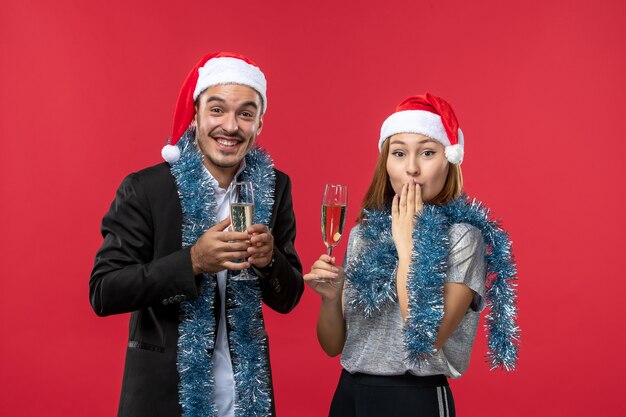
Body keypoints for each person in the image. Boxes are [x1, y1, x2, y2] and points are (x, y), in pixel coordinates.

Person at [90, 52, 304, 417]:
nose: (231, 126)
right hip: (164, 399)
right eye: (217, 110)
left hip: (246, 398)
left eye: (246, 113)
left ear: (259, 124)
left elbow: (288, 297)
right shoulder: (146, 189)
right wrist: (192, 262)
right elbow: (104, 290)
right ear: (196, 116)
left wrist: (271, 262)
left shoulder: (274, 187)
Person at [304, 93, 519, 417]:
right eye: (399, 153)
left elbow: (426, 336)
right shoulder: (363, 234)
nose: (412, 168)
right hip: (350, 395)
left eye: (428, 152)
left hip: (414, 398)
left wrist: (408, 249)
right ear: (385, 162)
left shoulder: (463, 239)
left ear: (449, 161)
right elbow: (334, 346)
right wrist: (331, 299)